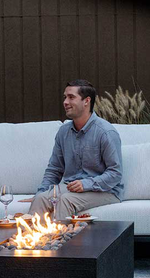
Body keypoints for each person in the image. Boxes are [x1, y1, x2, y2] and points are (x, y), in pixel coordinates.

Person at [27, 79, 123, 219]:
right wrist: (41, 192)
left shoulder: (105, 132)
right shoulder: (63, 132)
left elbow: (115, 174)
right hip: (71, 189)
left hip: (107, 191)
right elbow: (55, 169)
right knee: (41, 198)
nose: (65, 102)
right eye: (65, 97)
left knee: (65, 200)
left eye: (71, 97)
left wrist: (85, 184)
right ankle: (35, 241)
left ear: (86, 101)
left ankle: (61, 240)